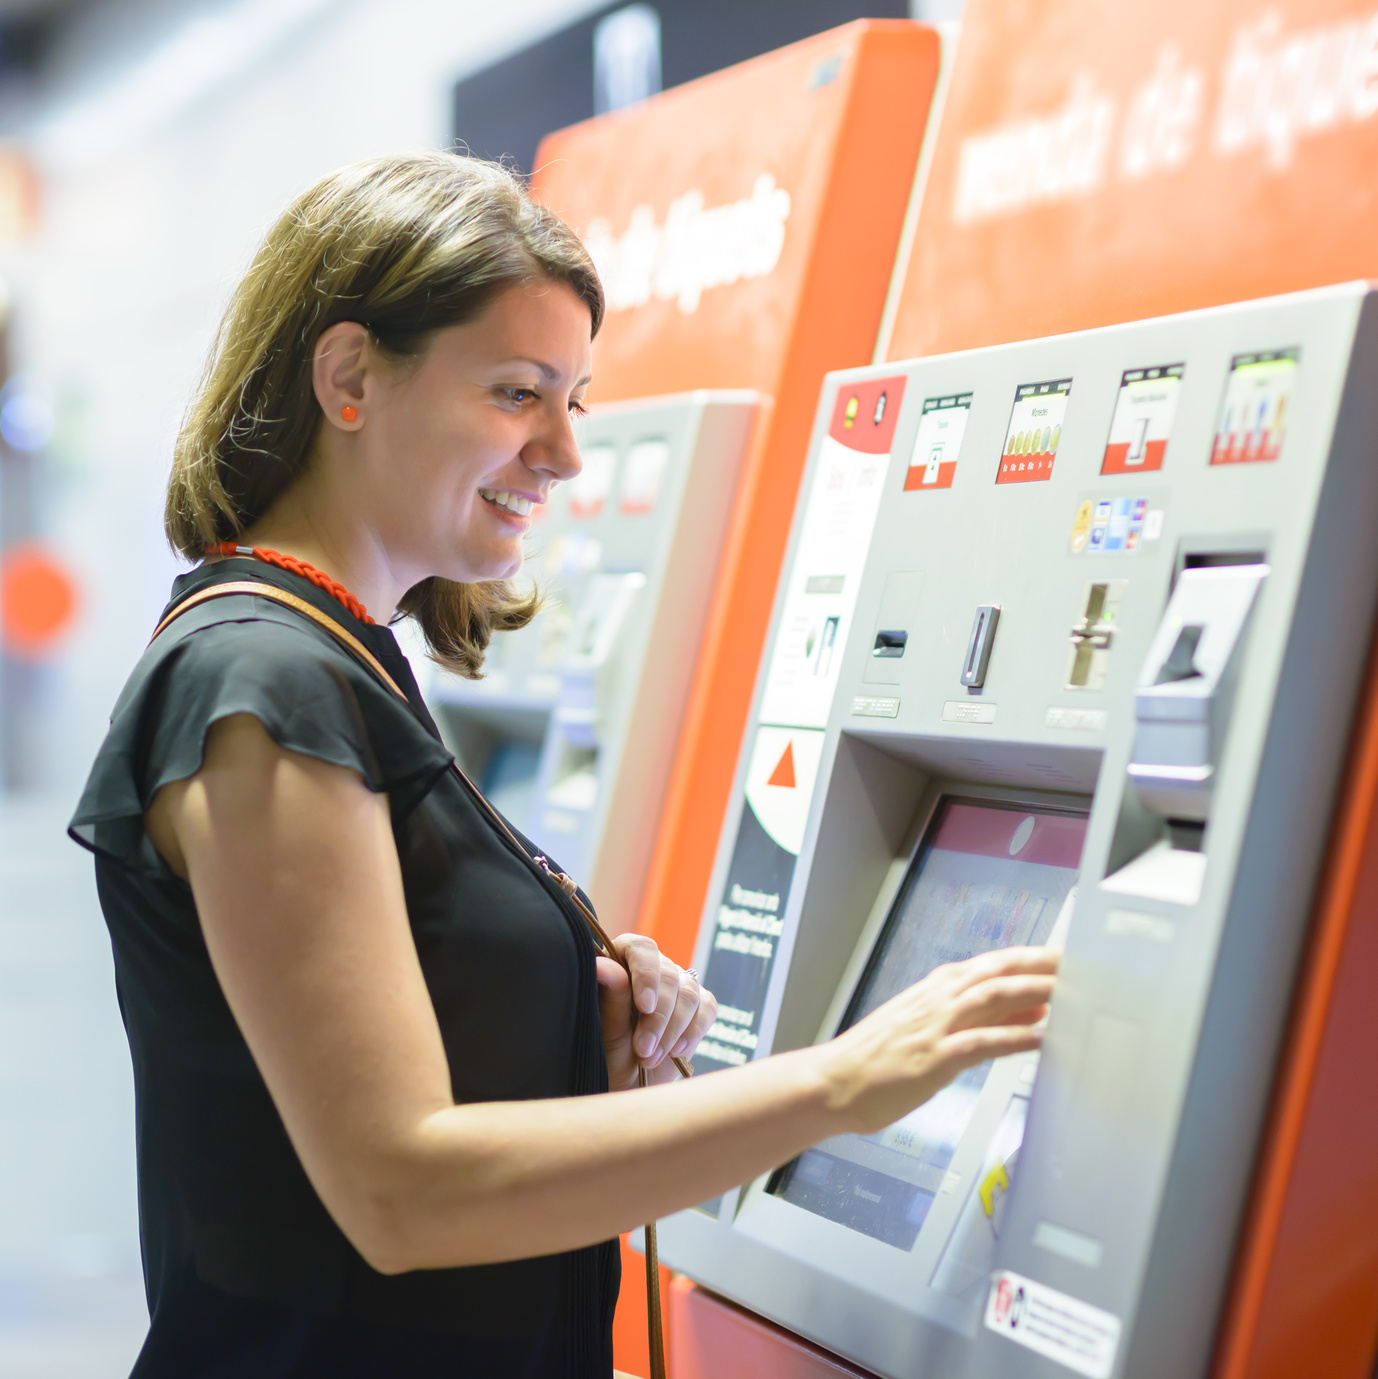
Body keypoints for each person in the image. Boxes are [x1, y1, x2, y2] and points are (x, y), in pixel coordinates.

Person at [70, 151, 1059, 1379]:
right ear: (349, 377)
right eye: (515, 393)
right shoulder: (260, 683)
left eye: (573, 401)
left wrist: (551, 1024)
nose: (562, 453)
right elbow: (399, 1191)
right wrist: (849, 1080)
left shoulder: (331, 655)